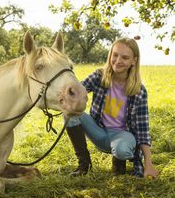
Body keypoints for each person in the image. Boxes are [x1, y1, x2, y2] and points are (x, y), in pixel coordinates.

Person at [66, 37, 159, 178]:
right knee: (69, 112)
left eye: (125, 57)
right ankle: (84, 165)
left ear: (133, 61)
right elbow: (77, 92)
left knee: (122, 149)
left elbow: (143, 130)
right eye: (115, 55)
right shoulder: (99, 77)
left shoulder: (138, 91)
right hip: (98, 131)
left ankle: (118, 166)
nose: (118, 60)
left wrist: (148, 164)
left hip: (122, 137)